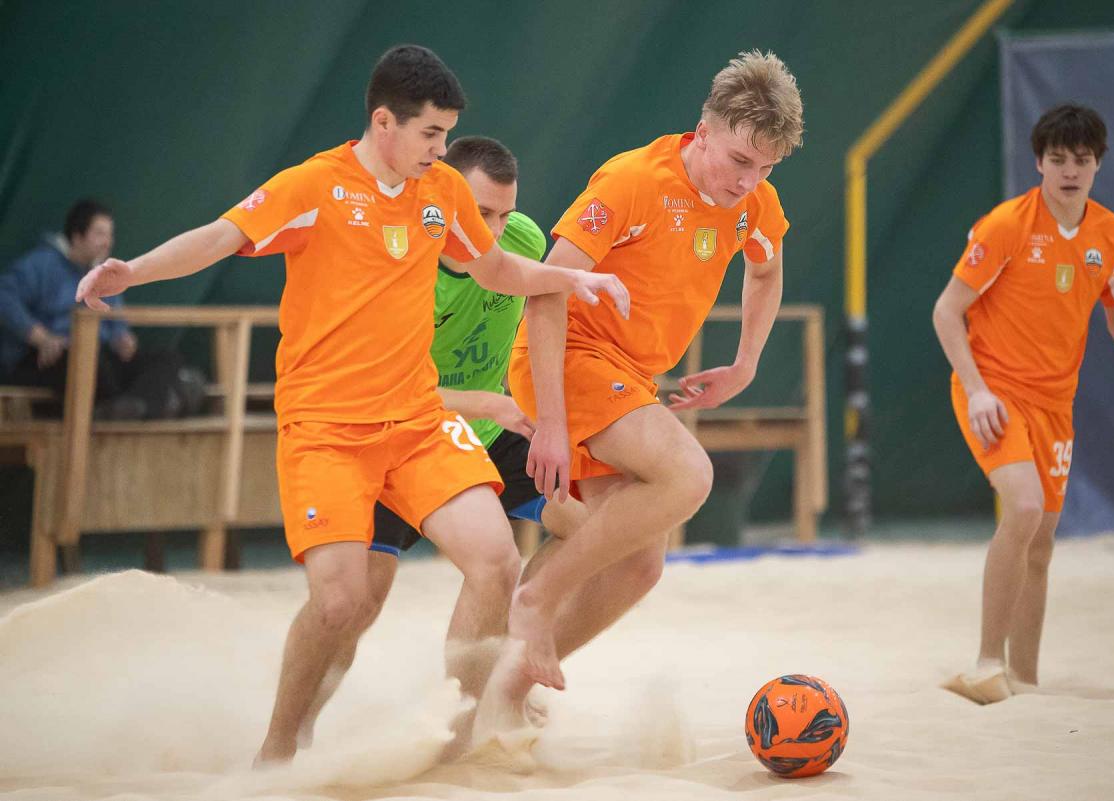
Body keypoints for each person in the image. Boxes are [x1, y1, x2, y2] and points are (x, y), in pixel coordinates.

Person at [75, 44, 628, 764]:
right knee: (341, 602)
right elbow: (219, 237)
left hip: (417, 421)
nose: (440, 149)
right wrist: (134, 271)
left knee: (495, 560)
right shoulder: (315, 186)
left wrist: (572, 280)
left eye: (446, 134)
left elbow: (493, 267)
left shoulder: (442, 191)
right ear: (384, 122)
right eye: (431, 133)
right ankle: (280, 746)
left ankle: (460, 738)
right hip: (327, 429)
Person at [475, 49, 804, 730]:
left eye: (767, 168)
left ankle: (504, 688)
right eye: (740, 160)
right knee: (689, 473)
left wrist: (745, 363)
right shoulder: (632, 181)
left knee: (640, 565)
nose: (750, 180)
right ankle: (536, 599)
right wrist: (553, 423)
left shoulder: (754, 204)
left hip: (630, 377)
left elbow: (766, 272)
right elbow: (546, 292)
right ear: (703, 131)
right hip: (569, 357)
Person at [295, 135, 588, 745]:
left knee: (595, 529)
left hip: (496, 431)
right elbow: (378, 382)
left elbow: (548, 304)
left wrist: (549, 416)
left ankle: (490, 690)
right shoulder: (403, 262)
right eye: (481, 214)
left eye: (504, 214)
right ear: (443, 198)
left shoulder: (522, 241)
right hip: (405, 433)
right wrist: (483, 401)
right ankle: (295, 734)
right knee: (355, 605)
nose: (493, 230)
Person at [932, 104, 1114, 704]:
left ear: (1097, 165)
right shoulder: (1007, 226)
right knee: (1023, 507)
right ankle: (986, 664)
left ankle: (1025, 682)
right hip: (993, 391)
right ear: (1038, 162)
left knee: (1041, 543)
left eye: (1081, 160)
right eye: (1058, 159)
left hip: (1054, 404)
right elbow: (947, 311)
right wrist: (977, 389)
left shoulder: (1108, 234)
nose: (1069, 171)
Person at [0, 199, 147, 418]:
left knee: (164, 359)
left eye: (110, 235)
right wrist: (41, 338)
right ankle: (120, 412)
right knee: (80, 359)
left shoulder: (106, 274)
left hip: (101, 358)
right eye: (100, 234)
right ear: (77, 237)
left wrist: (122, 338)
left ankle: (134, 410)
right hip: (51, 359)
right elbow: (4, 297)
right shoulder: (42, 264)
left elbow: (117, 324)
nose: (107, 242)